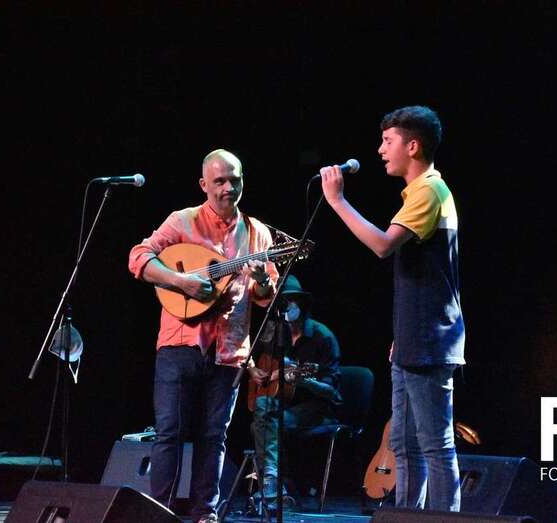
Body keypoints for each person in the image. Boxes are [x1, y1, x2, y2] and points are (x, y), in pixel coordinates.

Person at [319, 105, 465, 511]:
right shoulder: (419, 192)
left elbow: (383, 245)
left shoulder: (429, 189)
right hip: (413, 338)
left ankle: (442, 521)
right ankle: (406, 517)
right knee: (403, 444)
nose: (381, 149)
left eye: (388, 141)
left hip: (431, 338)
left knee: (435, 445)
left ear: (413, 146)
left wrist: (337, 202)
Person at [128, 149, 278, 523]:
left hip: (228, 350)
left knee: (214, 436)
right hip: (180, 343)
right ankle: (157, 512)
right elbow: (138, 256)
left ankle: (204, 515)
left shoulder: (257, 232)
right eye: (220, 181)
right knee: (170, 434)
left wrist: (261, 279)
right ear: (203, 184)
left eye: (235, 180)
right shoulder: (183, 221)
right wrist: (180, 281)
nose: (228, 188)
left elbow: (265, 297)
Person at [249, 275, 343, 507]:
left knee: (263, 418)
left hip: (316, 408)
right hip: (284, 404)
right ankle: (275, 484)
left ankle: (271, 484)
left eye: (292, 301)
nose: (288, 307)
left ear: (302, 304)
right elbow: (250, 354)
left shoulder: (322, 337)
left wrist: (304, 382)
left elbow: (333, 393)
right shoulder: (273, 333)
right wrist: (254, 370)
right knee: (263, 410)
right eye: (282, 302)